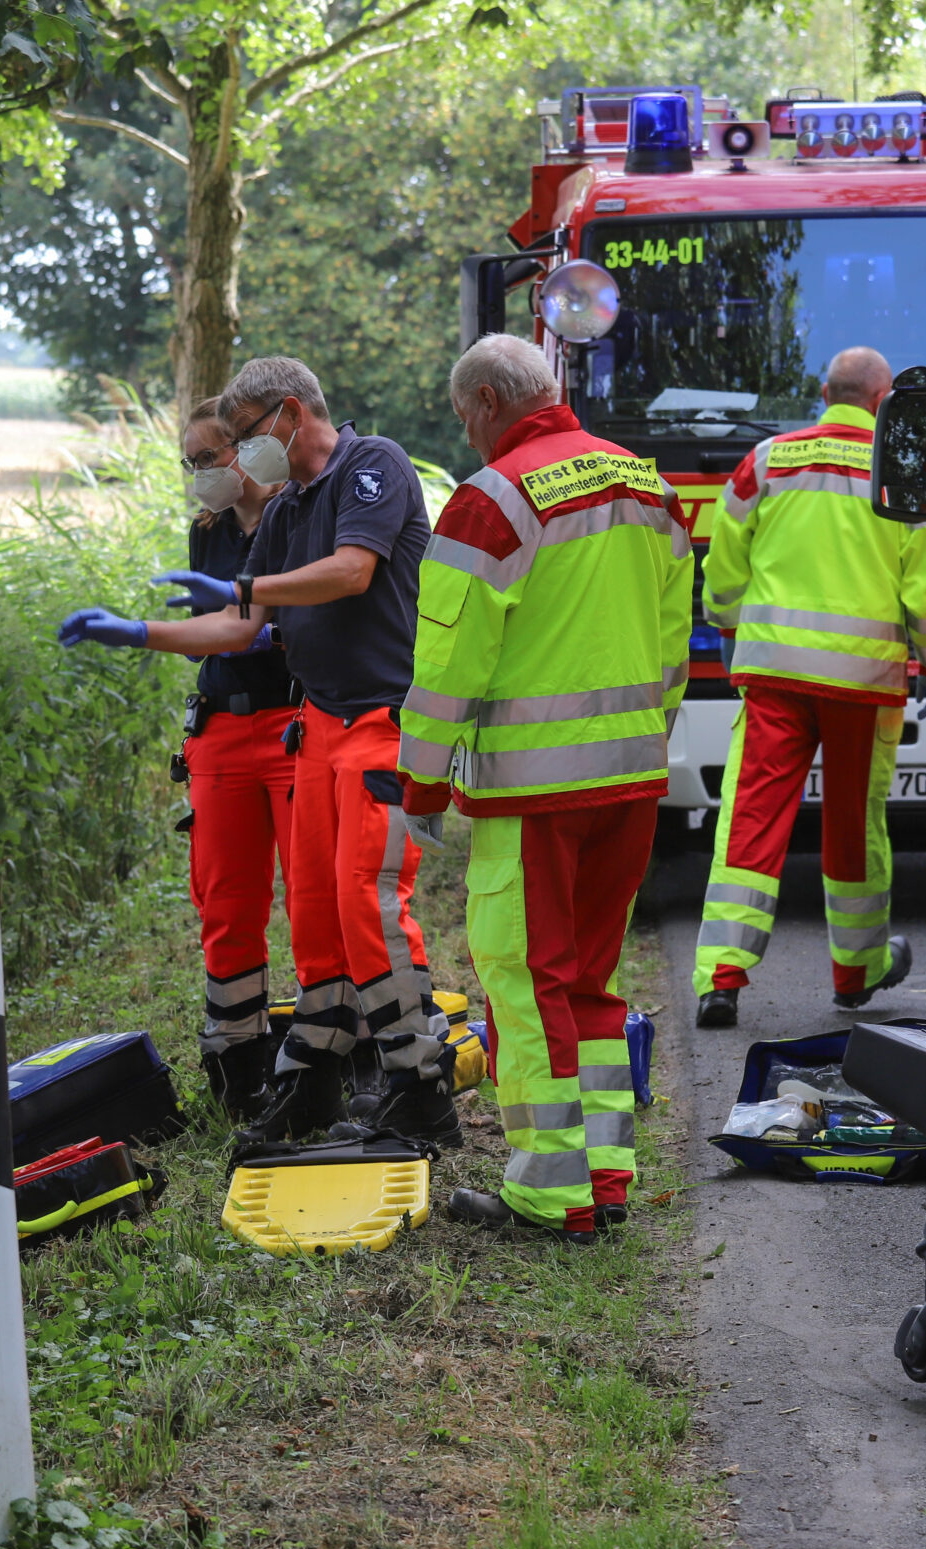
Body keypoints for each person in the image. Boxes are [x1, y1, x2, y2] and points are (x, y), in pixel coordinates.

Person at [397, 336, 693, 1244]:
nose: (470, 437)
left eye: (465, 420)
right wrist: (647, 740)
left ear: (489, 400)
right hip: (633, 779)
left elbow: (448, 659)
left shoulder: (492, 501)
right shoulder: (650, 487)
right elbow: (676, 638)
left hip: (533, 794)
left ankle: (546, 1193)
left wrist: (420, 781)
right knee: (593, 983)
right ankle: (606, 1177)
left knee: (524, 985)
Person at [152, 357, 447, 1149]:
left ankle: (419, 1082)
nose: (242, 456)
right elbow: (239, 630)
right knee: (316, 914)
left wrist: (248, 593)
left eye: (244, 437)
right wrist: (145, 633)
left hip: (381, 719)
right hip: (316, 726)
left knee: (368, 903)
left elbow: (352, 574)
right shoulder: (287, 511)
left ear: (289, 414)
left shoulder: (370, 464)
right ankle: (312, 1078)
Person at [691, 346, 926, 1026]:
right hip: (864, 685)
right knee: (853, 828)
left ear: (823, 392)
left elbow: (726, 559)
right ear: (882, 403)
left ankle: (721, 978)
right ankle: (855, 973)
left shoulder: (769, 459)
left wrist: (726, 624)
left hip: (775, 675)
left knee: (750, 819)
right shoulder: (904, 467)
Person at [57, 397, 299, 1117]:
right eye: (189, 461)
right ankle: (237, 1063)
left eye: (209, 456)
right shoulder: (208, 533)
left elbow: (257, 626)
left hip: (294, 723)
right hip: (222, 730)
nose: (200, 473)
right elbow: (215, 632)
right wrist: (161, 632)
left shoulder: (298, 517)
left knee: (319, 900)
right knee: (225, 902)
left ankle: (330, 1056)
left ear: (249, 448)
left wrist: (152, 632)